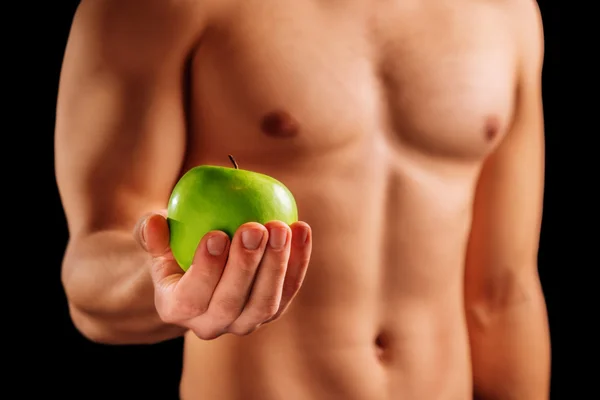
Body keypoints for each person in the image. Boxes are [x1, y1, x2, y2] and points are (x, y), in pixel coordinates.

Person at [55, 0, 551, 399]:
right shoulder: (152, 6)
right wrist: (167, 287)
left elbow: (503, 294)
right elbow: (92, 265)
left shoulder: (509, 13)